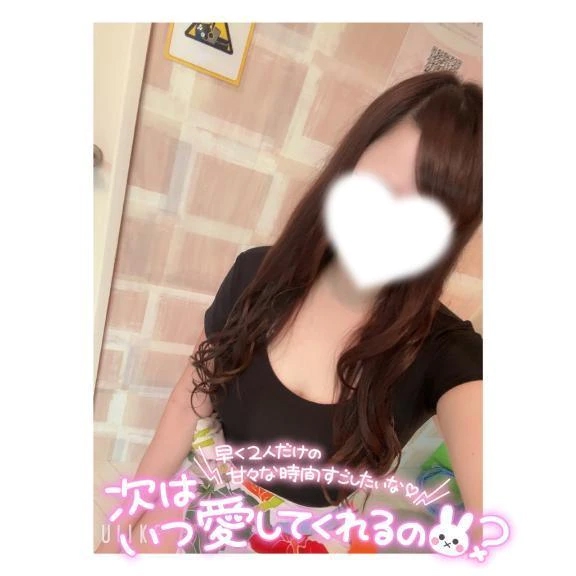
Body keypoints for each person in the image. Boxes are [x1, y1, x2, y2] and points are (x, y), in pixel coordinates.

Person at [96, 70, 483, 554]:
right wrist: (122, 530)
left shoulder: (447, 355)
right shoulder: (256, 273)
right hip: (201, 506)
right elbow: (186, 403)